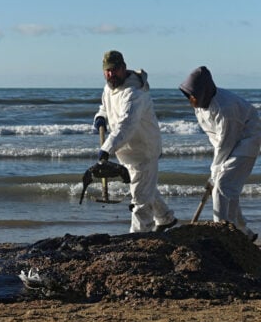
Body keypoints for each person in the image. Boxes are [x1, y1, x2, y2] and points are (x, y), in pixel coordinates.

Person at [92, 50, 177, 233]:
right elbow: (105, 107)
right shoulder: (110, 88)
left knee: (139, 197)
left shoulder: (134, 93)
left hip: (144, 150)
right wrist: (100, 116)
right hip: (127, 151)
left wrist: (106, 148)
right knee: (145, 187)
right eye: (107, 71)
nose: (110, 74)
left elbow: (126, 126)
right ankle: (165, 218)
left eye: (114, 70)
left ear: (123, 68)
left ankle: (139, 236)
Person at [179, 66, 261, 241]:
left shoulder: (226, 109)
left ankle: (223, 233)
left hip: (247, 139)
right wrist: (215, 170)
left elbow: (226, 143)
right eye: (189, 94)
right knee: (228, 187)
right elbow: (217, 138)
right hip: (229, 140)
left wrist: (214, 172)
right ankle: (243, 232)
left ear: (203, 91)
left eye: (193, 94)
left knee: (223, 185)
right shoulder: (200, 103)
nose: (190, 98)